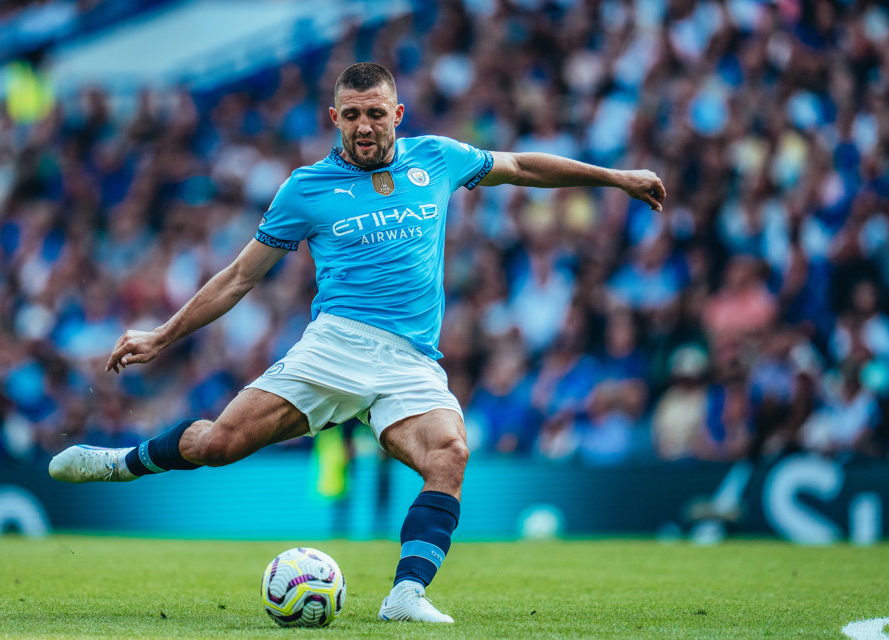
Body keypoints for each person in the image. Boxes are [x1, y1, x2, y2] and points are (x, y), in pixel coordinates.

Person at [48, 62, 665, 623]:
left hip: (412, 361)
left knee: (449, 455)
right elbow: (239, 277)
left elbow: (523, 167)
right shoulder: (306, 188)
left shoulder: (438, 158)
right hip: (336, 346)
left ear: (397, 114)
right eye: (352, 115)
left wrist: (616, 177)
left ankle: (406, 595)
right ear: (334, 119)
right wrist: (162, 334)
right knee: (217, 445)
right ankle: (120, 464)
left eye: (376, 113)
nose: (364, 127)